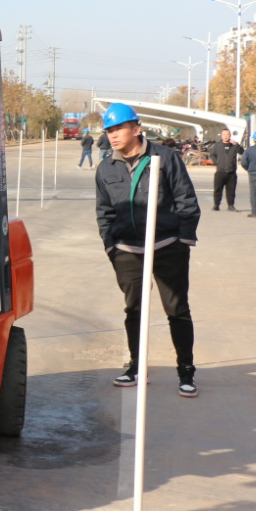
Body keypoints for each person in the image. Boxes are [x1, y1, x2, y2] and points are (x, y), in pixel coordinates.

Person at [94, 103, 201, 398]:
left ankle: (186, 370)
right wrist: (111, 246)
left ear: (136, 129)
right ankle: (136, 366)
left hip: (167, 246)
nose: (113, 135)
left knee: (176, 309)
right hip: (126, 250)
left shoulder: (165, 158)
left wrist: (183, 240)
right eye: (109, 130)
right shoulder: (106, 168)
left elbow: (186, 200)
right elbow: (104, 212)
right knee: (134, 310)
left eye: (119, 128)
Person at [208, 128, 243, 211]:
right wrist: (216, 162)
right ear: (221, 136)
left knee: (231, 190)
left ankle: (231, 205)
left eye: (227, 134)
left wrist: (236, 145)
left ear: (230, 135)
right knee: (218, 189)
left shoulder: (233, 145)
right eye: (224, 134)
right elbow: (212, 154)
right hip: (220, 171)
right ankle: (216, 205)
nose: (225, 136)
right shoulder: (217, 145)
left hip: (231, 172)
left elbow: (242, 152)